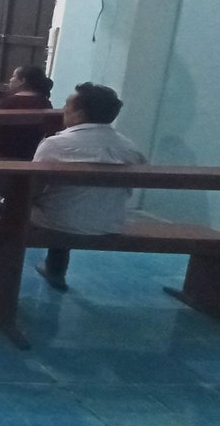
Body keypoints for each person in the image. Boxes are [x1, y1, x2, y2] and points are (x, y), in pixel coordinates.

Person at [32, 82, 145, 291]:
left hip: (58, 223)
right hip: (111, 224)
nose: (63, 110)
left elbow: (32, 189)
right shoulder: (131, 148)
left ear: (79, 115)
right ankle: (55, 270)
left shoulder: (55, 145)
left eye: (67, 106)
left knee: (1, 207)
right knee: (74, 202)